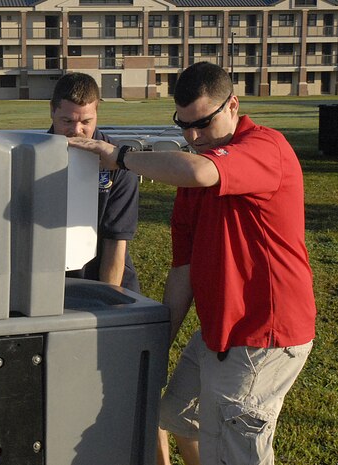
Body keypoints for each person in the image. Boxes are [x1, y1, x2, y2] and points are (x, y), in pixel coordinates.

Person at [68, 61, 316, 465]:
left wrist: (120, 156)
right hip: (219, 330)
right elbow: (182, 270)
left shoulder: (264, 148)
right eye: (183, 125)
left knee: (236, 450)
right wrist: (160, 339)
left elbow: (203, 171)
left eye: (202, 123)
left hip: (264, 333)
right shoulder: (189, 179)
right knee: (177, 416)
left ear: (232, 105)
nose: (193, 136)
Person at [49, 72, 140, 292]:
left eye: (86, 122)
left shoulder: (118, 163)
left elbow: (116, 241)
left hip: (106, 276)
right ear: (52, 111)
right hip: (51, 276)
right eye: (67, 121)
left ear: (97, 112)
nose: (77, 131)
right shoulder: (30, 156)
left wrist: (108, 302)